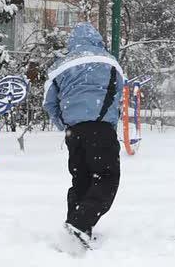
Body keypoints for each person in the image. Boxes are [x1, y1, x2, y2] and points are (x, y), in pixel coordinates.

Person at [42, 22, 125, 252]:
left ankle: (77, 231)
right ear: (97, 39)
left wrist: (66, 124)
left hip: (75, 132)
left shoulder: (60, 65)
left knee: (81, 179)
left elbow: (49, 103)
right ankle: (79, 224)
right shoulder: (109, 62)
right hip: (101, 127)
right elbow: (118, 93)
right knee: (107, 177)